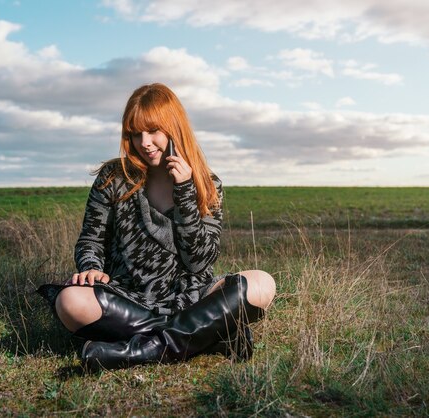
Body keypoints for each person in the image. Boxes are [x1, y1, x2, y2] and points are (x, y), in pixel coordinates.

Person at [37, 83, 276, 372]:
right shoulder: (114, 177)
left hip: (191, 296)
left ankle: (140, 351)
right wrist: (90, 266)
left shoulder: (207, 184)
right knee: (70, 301)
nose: (144, 142)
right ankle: (207, 337)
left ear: (174, 129)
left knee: (262, 284)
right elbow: (91, 240)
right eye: (135, 133)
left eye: (153, 131)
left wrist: (185, 191)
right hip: (128, 296)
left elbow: (199, 263)